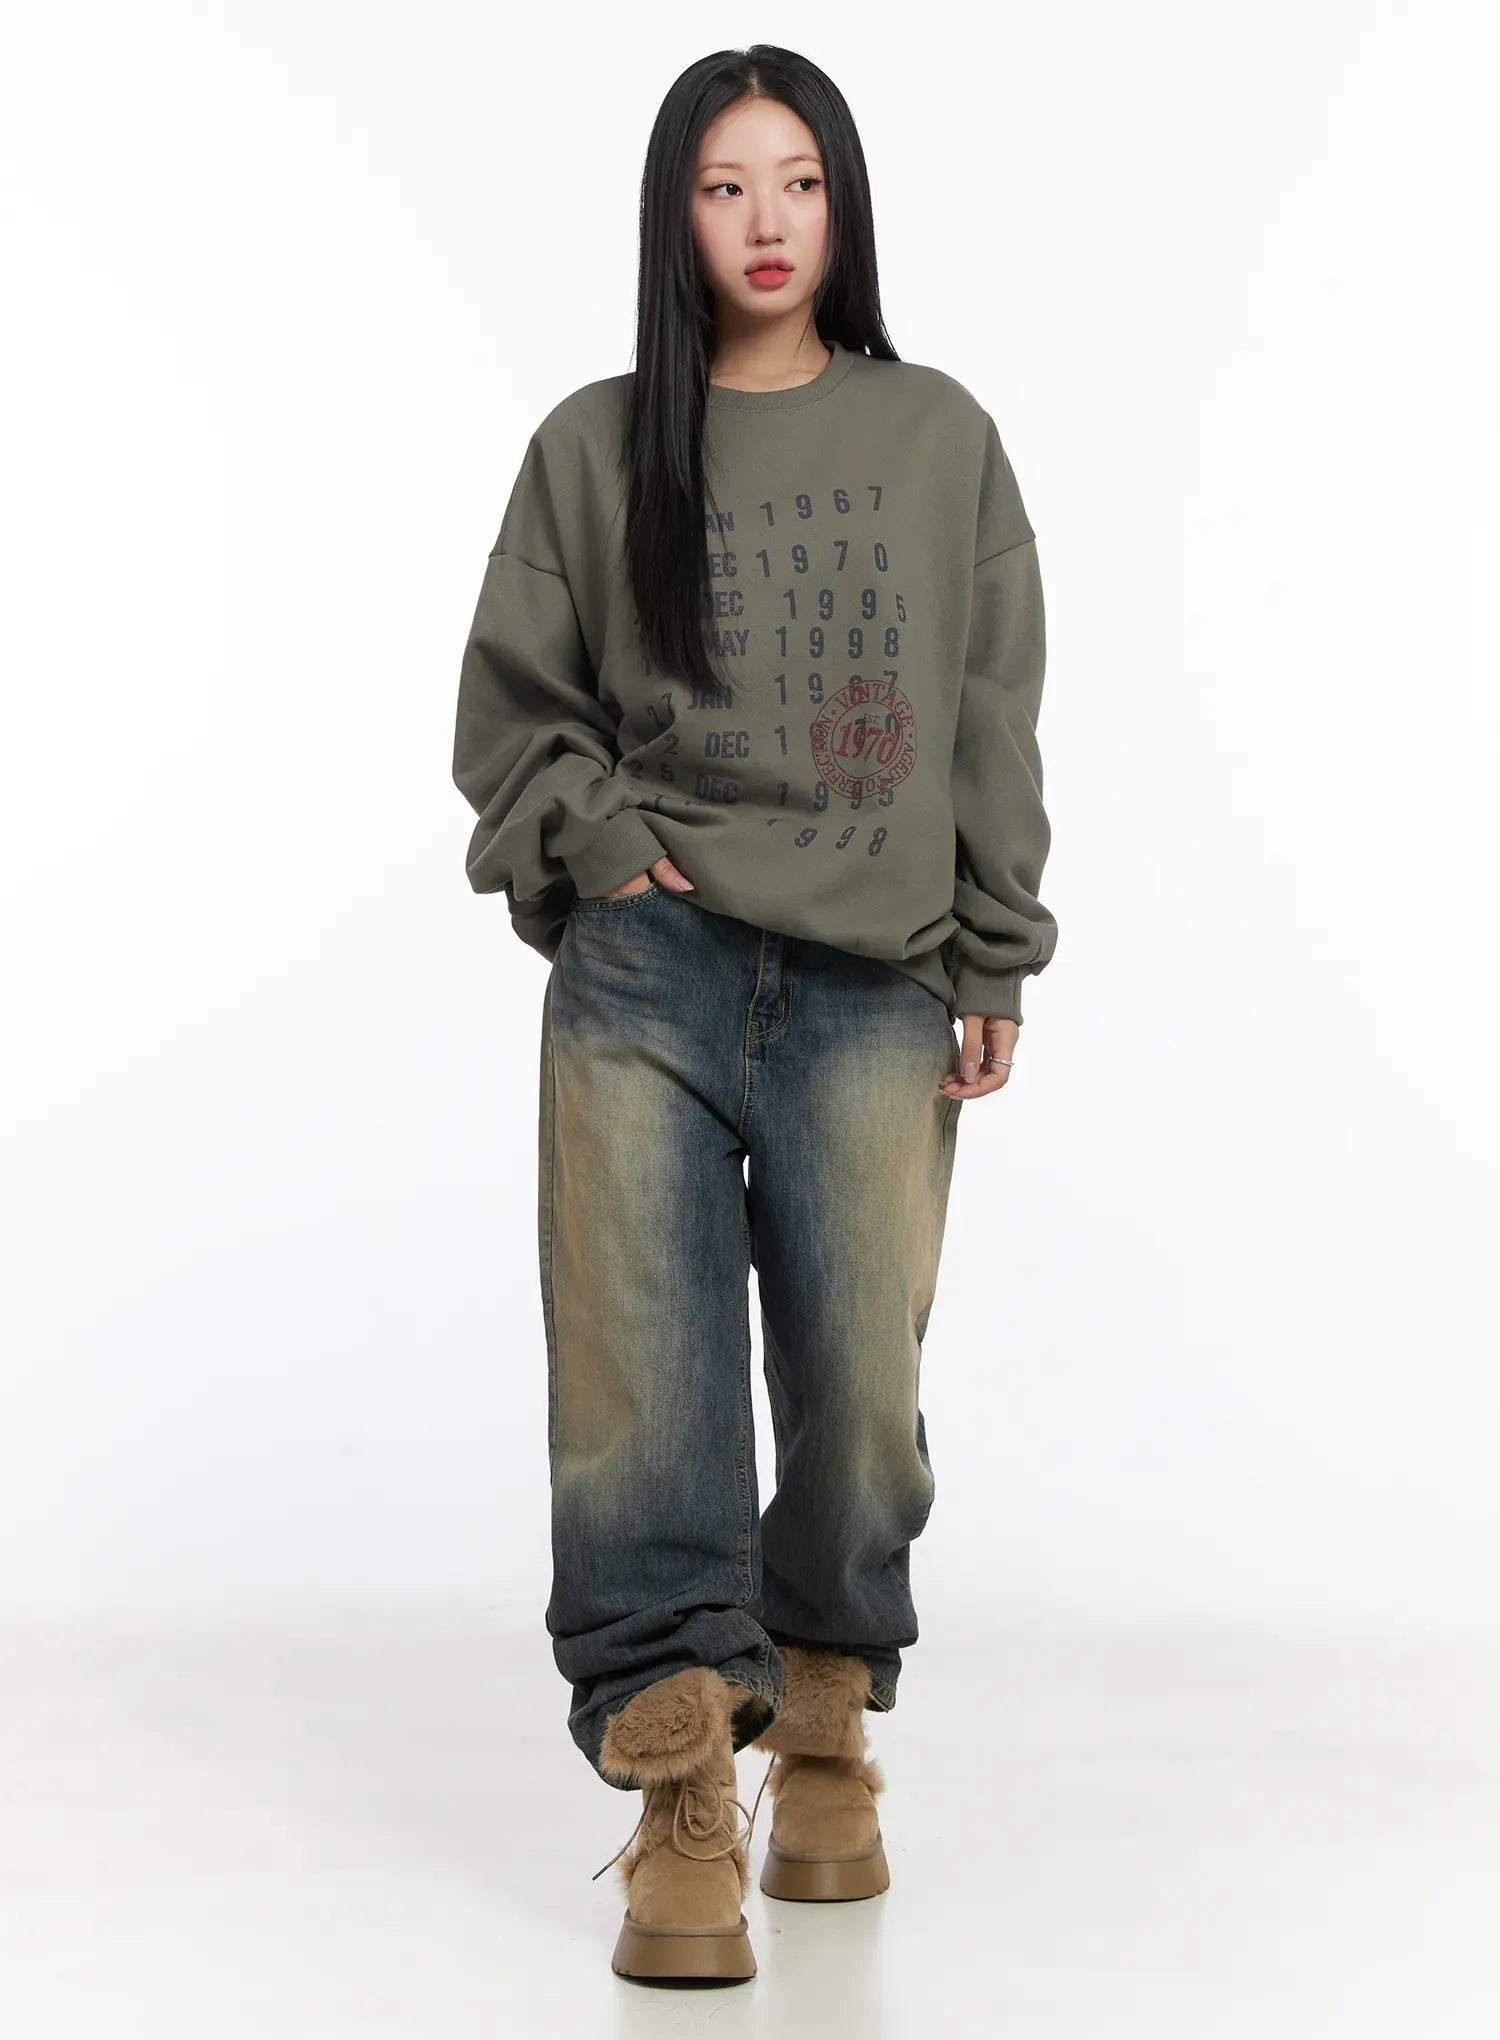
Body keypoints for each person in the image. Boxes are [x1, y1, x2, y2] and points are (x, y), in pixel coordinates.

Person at [450, 44, 1057, 1986]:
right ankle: (679, 1791)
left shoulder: (937, 434)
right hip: (653, 971)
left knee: (863, 1402)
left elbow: (990, 708)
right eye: (725, 187)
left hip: (876, 977)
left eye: (798, 180)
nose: (767, 221)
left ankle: (826, 1724)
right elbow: (514, 708)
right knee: (642, 1395)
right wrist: (608, 847)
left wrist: (993, 948)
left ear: (845, 203)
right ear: (676, 217)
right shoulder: (595, 443)